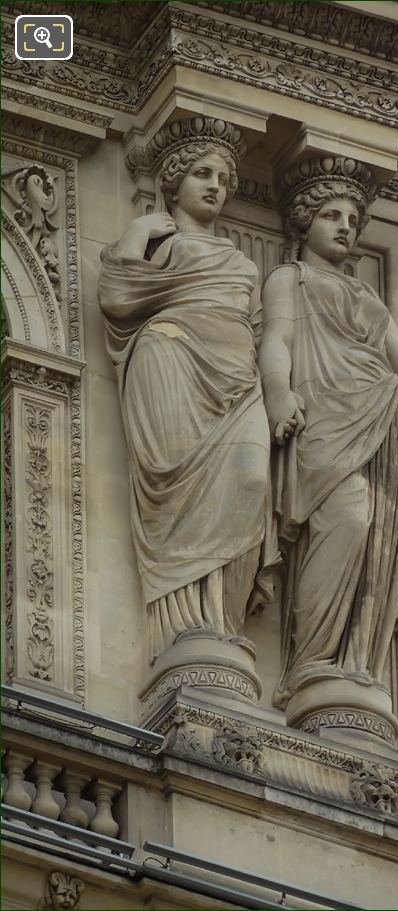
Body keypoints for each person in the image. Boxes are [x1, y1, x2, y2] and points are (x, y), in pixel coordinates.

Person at [259, 161, 398, 708]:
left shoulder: (370, 301)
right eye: (331, 215)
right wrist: (278, 392)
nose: (344, 227)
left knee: (369, 532)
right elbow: (277, 339)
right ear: (305, 222)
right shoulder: (290, 279)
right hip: (321, 420)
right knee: (344, 522)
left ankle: (346, 659)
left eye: (352, 219)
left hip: (372, 417)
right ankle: (309, 659)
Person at [98, 134, 272, 663]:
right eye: (203, 175)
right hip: (171, 360)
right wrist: (135, 234)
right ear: (173, 184)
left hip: (239, 380)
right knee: (176, 490)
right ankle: (187, 628)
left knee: (251, 478)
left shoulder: (244, 264)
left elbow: (266, 335)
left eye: (223, 179)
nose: (215, 186)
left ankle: (222, 618)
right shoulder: (159, 242)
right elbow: (118, 294)